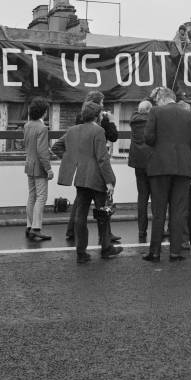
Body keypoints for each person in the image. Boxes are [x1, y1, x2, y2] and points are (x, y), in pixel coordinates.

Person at [52, 101, 121, 263]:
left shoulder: (72, 130)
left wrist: (73, 162)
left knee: (80, 216)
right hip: (97, 178)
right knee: (102, 214)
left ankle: (81, 252)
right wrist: (110, 181)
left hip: (81, 178)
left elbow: (56, 147)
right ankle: (106, 248)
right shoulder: (98, 131)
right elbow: (102, 159)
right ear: (97, 116)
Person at [143, 87, 191, 262]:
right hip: (183, 168)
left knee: (159, 212)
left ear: (161, 98)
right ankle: (175, 252)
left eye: (156, 100)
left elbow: (148, 138)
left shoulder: (156, 112)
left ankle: (155, 252)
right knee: (178, 211)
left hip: (160, 167)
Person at [65, 91, 119, 243]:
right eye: (102, 102)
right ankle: (105, 238)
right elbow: (113, 137)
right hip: (97, 170)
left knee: (80, 204)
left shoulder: (79, 119)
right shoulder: (100, 125)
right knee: (102, 205)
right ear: (97, 105)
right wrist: (112, 121)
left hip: (82, 167)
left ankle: (72, 231)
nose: (103, 104)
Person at [23, 96, 54, 241]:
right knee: (42, 197)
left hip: (29, 164)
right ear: (44, 112)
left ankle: (29, 226)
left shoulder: (27, 125)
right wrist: (48, 169)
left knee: (32, 196)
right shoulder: (42, 128)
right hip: (39, 167)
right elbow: (42, 152)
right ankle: (36, 228)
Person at [128, 100, 153, 243]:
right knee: (156, 197)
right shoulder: (152, 119)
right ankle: (158, 229)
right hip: (152, 162)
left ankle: (141, 230)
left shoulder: (133, 120)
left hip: (138, 163)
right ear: (150, 110)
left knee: (142, 197)